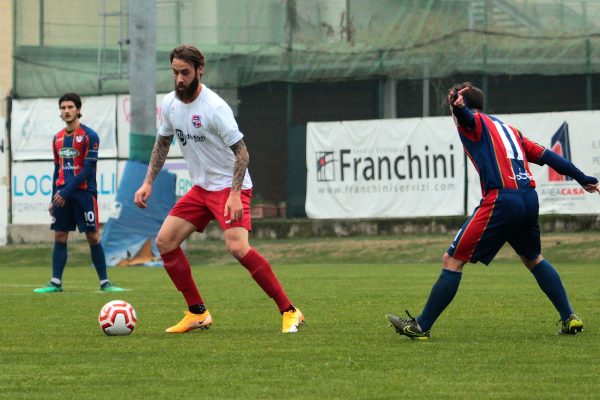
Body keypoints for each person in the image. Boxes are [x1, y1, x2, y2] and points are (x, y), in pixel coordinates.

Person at [386, 82, 599, 340]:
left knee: (451, 260)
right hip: (528, 200)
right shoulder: (510, 130)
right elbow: (548, 157)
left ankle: (421, 326)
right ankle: (569, 318)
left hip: (502, 200)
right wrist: (582, 177)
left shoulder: (473, 121)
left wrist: (458, 105)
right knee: (534, 259)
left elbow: (466, 117)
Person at [134, 45, 304, 334]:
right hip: (201, 189)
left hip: (230, 187)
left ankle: (290, 310)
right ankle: (197, 312)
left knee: (237, 247)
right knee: (164, 242)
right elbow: (162, 143)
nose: (179, 79)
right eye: (175, 72)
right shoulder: (171, 105)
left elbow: (242, 153)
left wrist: (235, 194)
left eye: (185, 73)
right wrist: (148, 181)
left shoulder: (215, 108)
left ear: (200, 71)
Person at [34, 93, 125, 293]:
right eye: (63, 108)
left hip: (84, 194)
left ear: (78, 110)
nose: (66, 111)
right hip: (62, 194)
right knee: (60, 235)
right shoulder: (57, 138)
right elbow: (56, 169)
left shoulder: (90, 136)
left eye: (70, 107)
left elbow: (86, 170)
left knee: (92, 236)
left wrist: (65, 192)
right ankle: (55, 282)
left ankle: (105, 283)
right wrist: (53, 198)